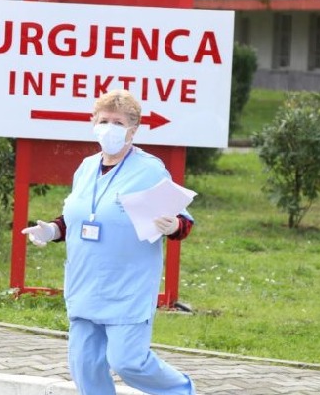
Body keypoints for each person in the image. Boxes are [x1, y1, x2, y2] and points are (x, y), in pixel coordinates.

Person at [21, 89, 196, 395]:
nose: (109, 128)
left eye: (118, 123)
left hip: (127, 287)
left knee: (127, 361)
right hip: (85, 283)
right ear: (94, 123)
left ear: (133, 130)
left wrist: (173, 226)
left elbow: (183, 222)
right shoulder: (86, 167)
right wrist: (51, 231)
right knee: (85, 366)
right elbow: (76, 217)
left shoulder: (149, 169)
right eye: (104, 121)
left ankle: (180, 391)